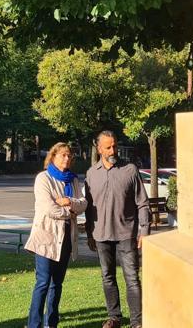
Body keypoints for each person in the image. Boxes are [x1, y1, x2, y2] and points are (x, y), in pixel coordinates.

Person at [85, 131, 149, 328]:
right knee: (108, 277)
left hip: (126, 234)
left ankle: (137, 322)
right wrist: (89, 233)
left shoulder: (130, 170)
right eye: (108, 147)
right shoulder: (91, 173)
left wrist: (144, 230)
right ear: (99, 149)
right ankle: (114, 318)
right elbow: (89, 206)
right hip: (101, 234)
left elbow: (142, 203)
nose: (113, 150)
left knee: (131, 277)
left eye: (114, 146)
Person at [24, 143, 86, 328]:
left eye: (69, 156)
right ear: (53, 156)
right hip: (46, 236)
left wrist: (68, 202)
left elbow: (83, 203)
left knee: (57, 284)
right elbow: (48, 209)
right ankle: (34, 324)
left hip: (66, 237)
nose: (67, 159)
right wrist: (71, 211)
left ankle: (51, 323)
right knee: (43, 282)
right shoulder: (43, 178)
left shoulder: (73, 180)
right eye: (63, 155)